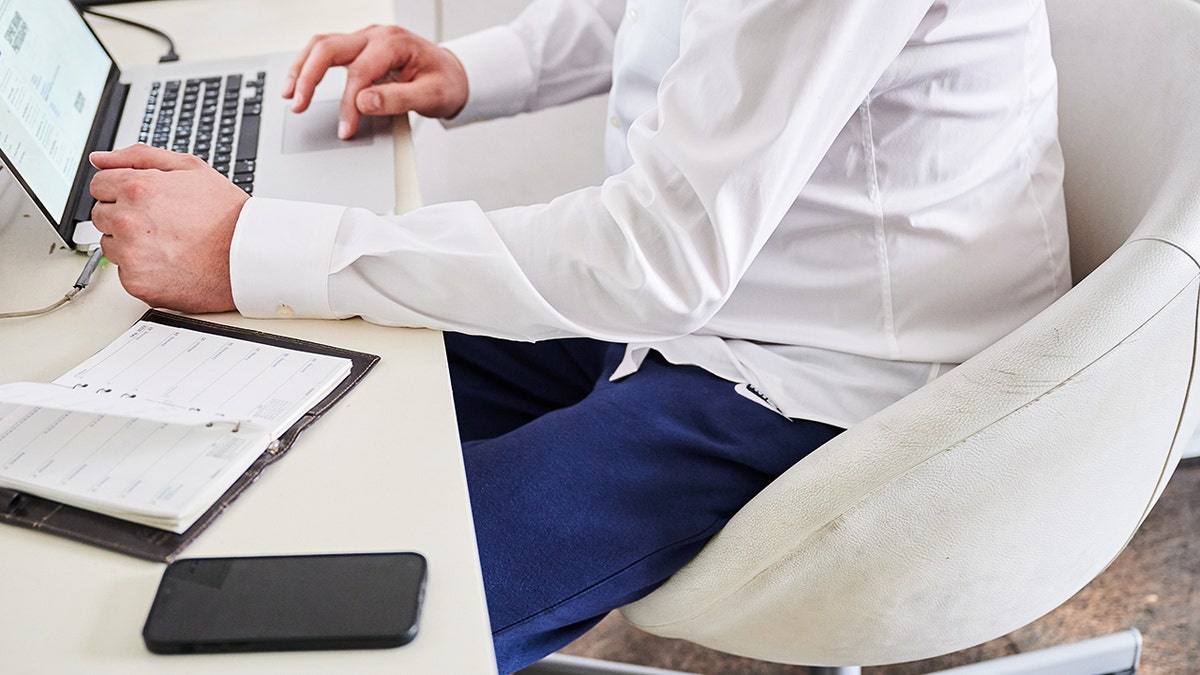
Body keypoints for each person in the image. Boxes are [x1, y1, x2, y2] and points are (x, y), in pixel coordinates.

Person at [88, 0, 1071, 671]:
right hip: (695, 300)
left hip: (834, 374)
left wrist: (254, 245)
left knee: (353, 609)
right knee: (270, 381)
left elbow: (658, 257)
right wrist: (474, 67)